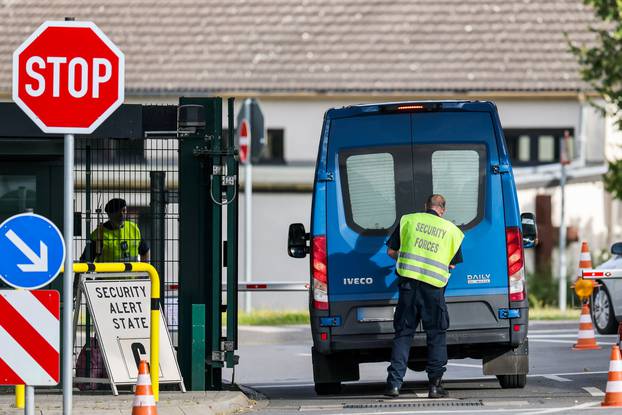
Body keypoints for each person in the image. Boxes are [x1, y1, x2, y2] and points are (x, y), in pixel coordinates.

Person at [384, 194, 464, 399]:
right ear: (443, 210)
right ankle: (435, 387)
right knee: (436, 335)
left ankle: (394, 385)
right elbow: (452, 264)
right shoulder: (452, 231)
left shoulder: (409, 220)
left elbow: (391, 251)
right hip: (433, 291)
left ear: (425, 206)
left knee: (403, 334)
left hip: (409, 288)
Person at [80, 198, 150, 263]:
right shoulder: (98, 234)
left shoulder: (133, 228)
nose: (122, 214)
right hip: (108, 276)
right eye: (118, 212)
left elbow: (144, 252)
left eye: (124, 210)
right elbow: (85, 260)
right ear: (109, 214)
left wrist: (143, 273)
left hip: (132, 275)